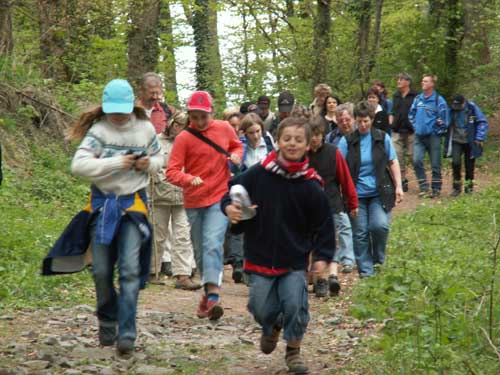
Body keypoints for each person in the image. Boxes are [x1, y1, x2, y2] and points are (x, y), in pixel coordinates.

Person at [43, 79, 164, 354]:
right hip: (102, 206)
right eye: (113, 110)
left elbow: (161, 158)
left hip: (133, 206)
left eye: (121, 110)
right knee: (100, 270)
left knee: (131, 270)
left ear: (131, 104)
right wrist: (116, 162)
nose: (118, 115)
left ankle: (127, 331)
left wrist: (149, 164)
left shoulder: (144, 128)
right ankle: (107, 320)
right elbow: (79, 165)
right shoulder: (99, 131)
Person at [221, 117, 335, 374]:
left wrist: (322, 256)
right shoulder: (259, 172)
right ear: (278, 141)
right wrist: (229, 206)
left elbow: (324, 224)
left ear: (308, 145)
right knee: (261, 306)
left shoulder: (311, 184)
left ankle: (293, 348)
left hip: (294, 258)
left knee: (295, 303)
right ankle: (270, 326)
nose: (292, 144)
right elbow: (232, 188)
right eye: (287, 139)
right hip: (260, 254)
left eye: (298, 140)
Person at [166, 91, 243, 321]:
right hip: (194, 200)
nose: (199, 121)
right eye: (195, 116)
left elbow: (236, 146)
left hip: (219, 197)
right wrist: (188, 179)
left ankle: (213, 296)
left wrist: (237, 156)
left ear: (212, 113)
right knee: (200, 251)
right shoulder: (184, 138)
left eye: (203, 117)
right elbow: (171, 171)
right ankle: (207, 291)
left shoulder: (224, 128)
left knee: (212, 243)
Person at [338, 101, 403, 278]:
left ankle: (379, 262)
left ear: (372, 119)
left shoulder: (382, 138)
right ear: (355, 121)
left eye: (366, 121)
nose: (363, 125)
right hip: (355, 196)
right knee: (360, 234)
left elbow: (393, 161)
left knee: (379, 226)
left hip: (380, 193)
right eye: (359, 121)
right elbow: (339, 169)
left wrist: (399, 186)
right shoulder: (347, 142)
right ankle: (366, 273)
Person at [149, 111, 200, 290]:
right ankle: (152, 272)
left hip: (184, 195)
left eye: (183, 126)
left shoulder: (191, 142)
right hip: (159, 193)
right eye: (177, 124)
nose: (179, 129)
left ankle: (183, 275)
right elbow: (152, 166)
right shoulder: (156, 140)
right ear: (172, 124)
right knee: (158, 234)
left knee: (183, 235)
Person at [308, 116, 358, 297]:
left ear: (322, 135)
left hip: (332, 203)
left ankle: (332, 277)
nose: (314, 138)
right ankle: (319, 279)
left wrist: (352, 203)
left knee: (332, 242)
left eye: (317, 134)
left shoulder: (333, 152)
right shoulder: (301, 155)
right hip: (309, 207)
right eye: (311, 135)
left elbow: (345, 179)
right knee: (314, 243)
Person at [409, 74, 449, 198]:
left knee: (435, 163)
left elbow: (445, 119)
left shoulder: (439, 100)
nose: (423, 83)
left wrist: (438, 128)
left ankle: (436, 189)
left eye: (425, 81)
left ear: (432, 84)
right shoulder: (418, 99)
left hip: (433, 137)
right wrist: (416, 126)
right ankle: (423, 187)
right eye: (422, 81)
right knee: (416, 160)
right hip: (419, 137)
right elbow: (411, 114)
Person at [445, 94, 489, 196]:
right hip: (456, 140)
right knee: (455, 163)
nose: (457, 107)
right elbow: (446, 121)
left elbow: (482, 122)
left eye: (459, 105)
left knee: (469, 166)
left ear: (464, 102)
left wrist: (479, 137)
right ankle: (456, 188)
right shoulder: (451, 109)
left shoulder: (472, 108)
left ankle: (469, 188)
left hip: (470, 141)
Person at [391, 73, 417, 192]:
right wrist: (392, 122)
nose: (398, 81)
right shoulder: (395, 96)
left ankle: (421, 180)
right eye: (398, 79)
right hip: (397, 131)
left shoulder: (415, 95)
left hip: (411, 132)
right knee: (397, 156)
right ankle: (402, 181)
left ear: (408, 82)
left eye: (401, 79)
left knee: (414, 157)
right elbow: (392, 111)